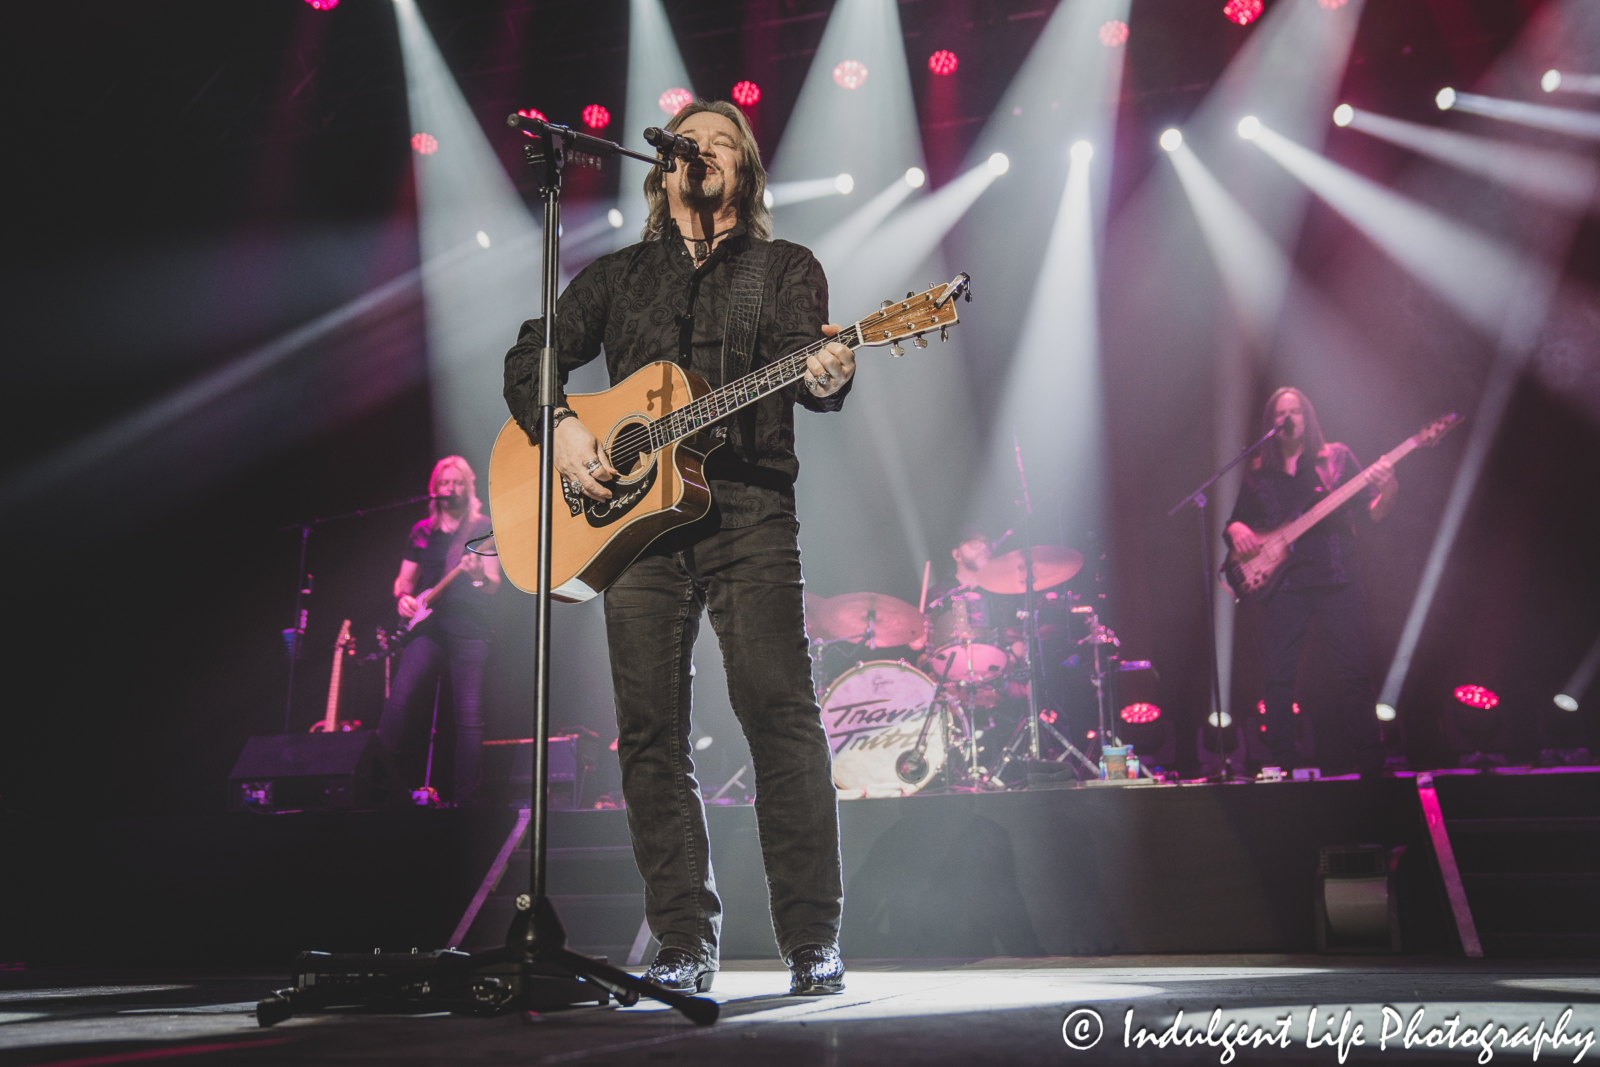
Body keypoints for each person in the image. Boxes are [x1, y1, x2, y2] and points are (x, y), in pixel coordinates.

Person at [502, 99, 854, 996]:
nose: (702, 151)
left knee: (778, 712)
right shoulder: (620, 277)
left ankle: (811, 938)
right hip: (634, 526)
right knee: (649, 733)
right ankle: (684, 941)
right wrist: (566, 428)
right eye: (688, 142)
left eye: (722, 141)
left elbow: (807, 376)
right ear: (662, 169)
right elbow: (535, 347)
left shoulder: (785, 268)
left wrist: (827, 373)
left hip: (748, 508)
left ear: (745, 170)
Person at [1225, 388, 1398, 775]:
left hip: (1337, 577)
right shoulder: (1257, 472)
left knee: (1354, 674)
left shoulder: (1336, 459)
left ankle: (1372, 766)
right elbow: (1236, 519)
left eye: (1296, 411)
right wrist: (1235, 528)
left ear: (1308, 417)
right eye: (1280, 413)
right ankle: (1284, 764)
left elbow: (1373, 514)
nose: (1289, 418)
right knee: (1278, 679)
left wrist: (1388, 489)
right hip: (1284, 584)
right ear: (1271, 422)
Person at [376, 456, 499, 806]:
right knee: (399, 697)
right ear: (435, 489)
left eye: (457, 482)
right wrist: (402, 598)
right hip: (428, 627)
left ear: (468, 487)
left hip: (470, 628)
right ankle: (378, 783)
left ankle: (466, 799)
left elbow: (491, 584)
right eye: (444, 483)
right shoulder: (422, 531)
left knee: (469, 715)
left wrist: (474, 574)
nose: (451, 488)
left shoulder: (483, 528)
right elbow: (404, 579)